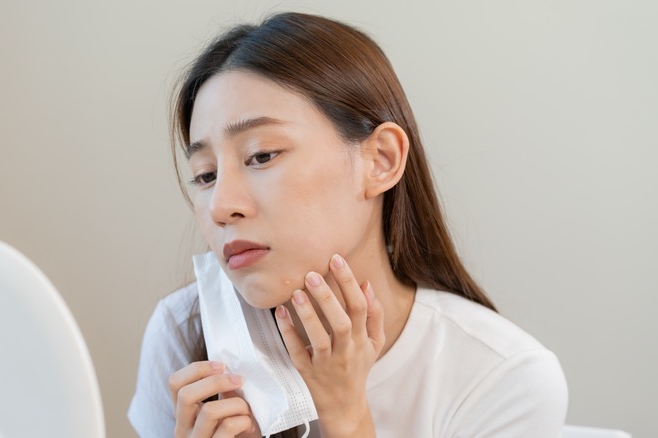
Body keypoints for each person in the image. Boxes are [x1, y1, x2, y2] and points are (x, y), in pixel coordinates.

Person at [128, 12, 568, 438]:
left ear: (381, 161)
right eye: (206, 175)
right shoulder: (184, 332)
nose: (221, 206)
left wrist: (347, 418)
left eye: (262, 155)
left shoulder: (503, 377)